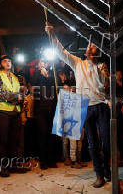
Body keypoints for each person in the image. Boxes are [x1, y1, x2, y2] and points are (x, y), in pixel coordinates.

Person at [45, 22, 110, 188]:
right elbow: (61, 52)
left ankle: (107, 167)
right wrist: (51, 35)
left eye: (93, 46)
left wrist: (95, 64)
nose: (89, 47)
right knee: (92, 143)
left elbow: (102, 83)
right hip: (86, 107)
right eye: (88, 46)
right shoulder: (77, 63)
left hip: (101, 106)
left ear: (98, 51)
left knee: (106, 142)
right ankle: (99, 174)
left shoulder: (102, 67)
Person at [0, 55, 24, 177]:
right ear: (0, 64)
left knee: (13, 140)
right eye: (5, 61)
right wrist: (15, 97)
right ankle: (1, 167)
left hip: (15, 110)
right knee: (2, 140)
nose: (8, 63)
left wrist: (21, 97)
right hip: (2, 111)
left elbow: (20, 92)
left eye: (9, 61)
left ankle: (12, 165)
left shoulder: (14, 77)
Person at [30, 59, 58, 170]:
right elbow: (34, 83)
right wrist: (39, 71)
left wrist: (47, 75)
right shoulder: (36, 74)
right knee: (42, 134)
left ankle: (51, 159)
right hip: (40, 109)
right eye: (41, 62)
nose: (44, 63)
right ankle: (43, 160)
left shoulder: (52, 74)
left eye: (45, 62)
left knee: (51, 134)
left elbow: (55, 85)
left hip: (51, 108)